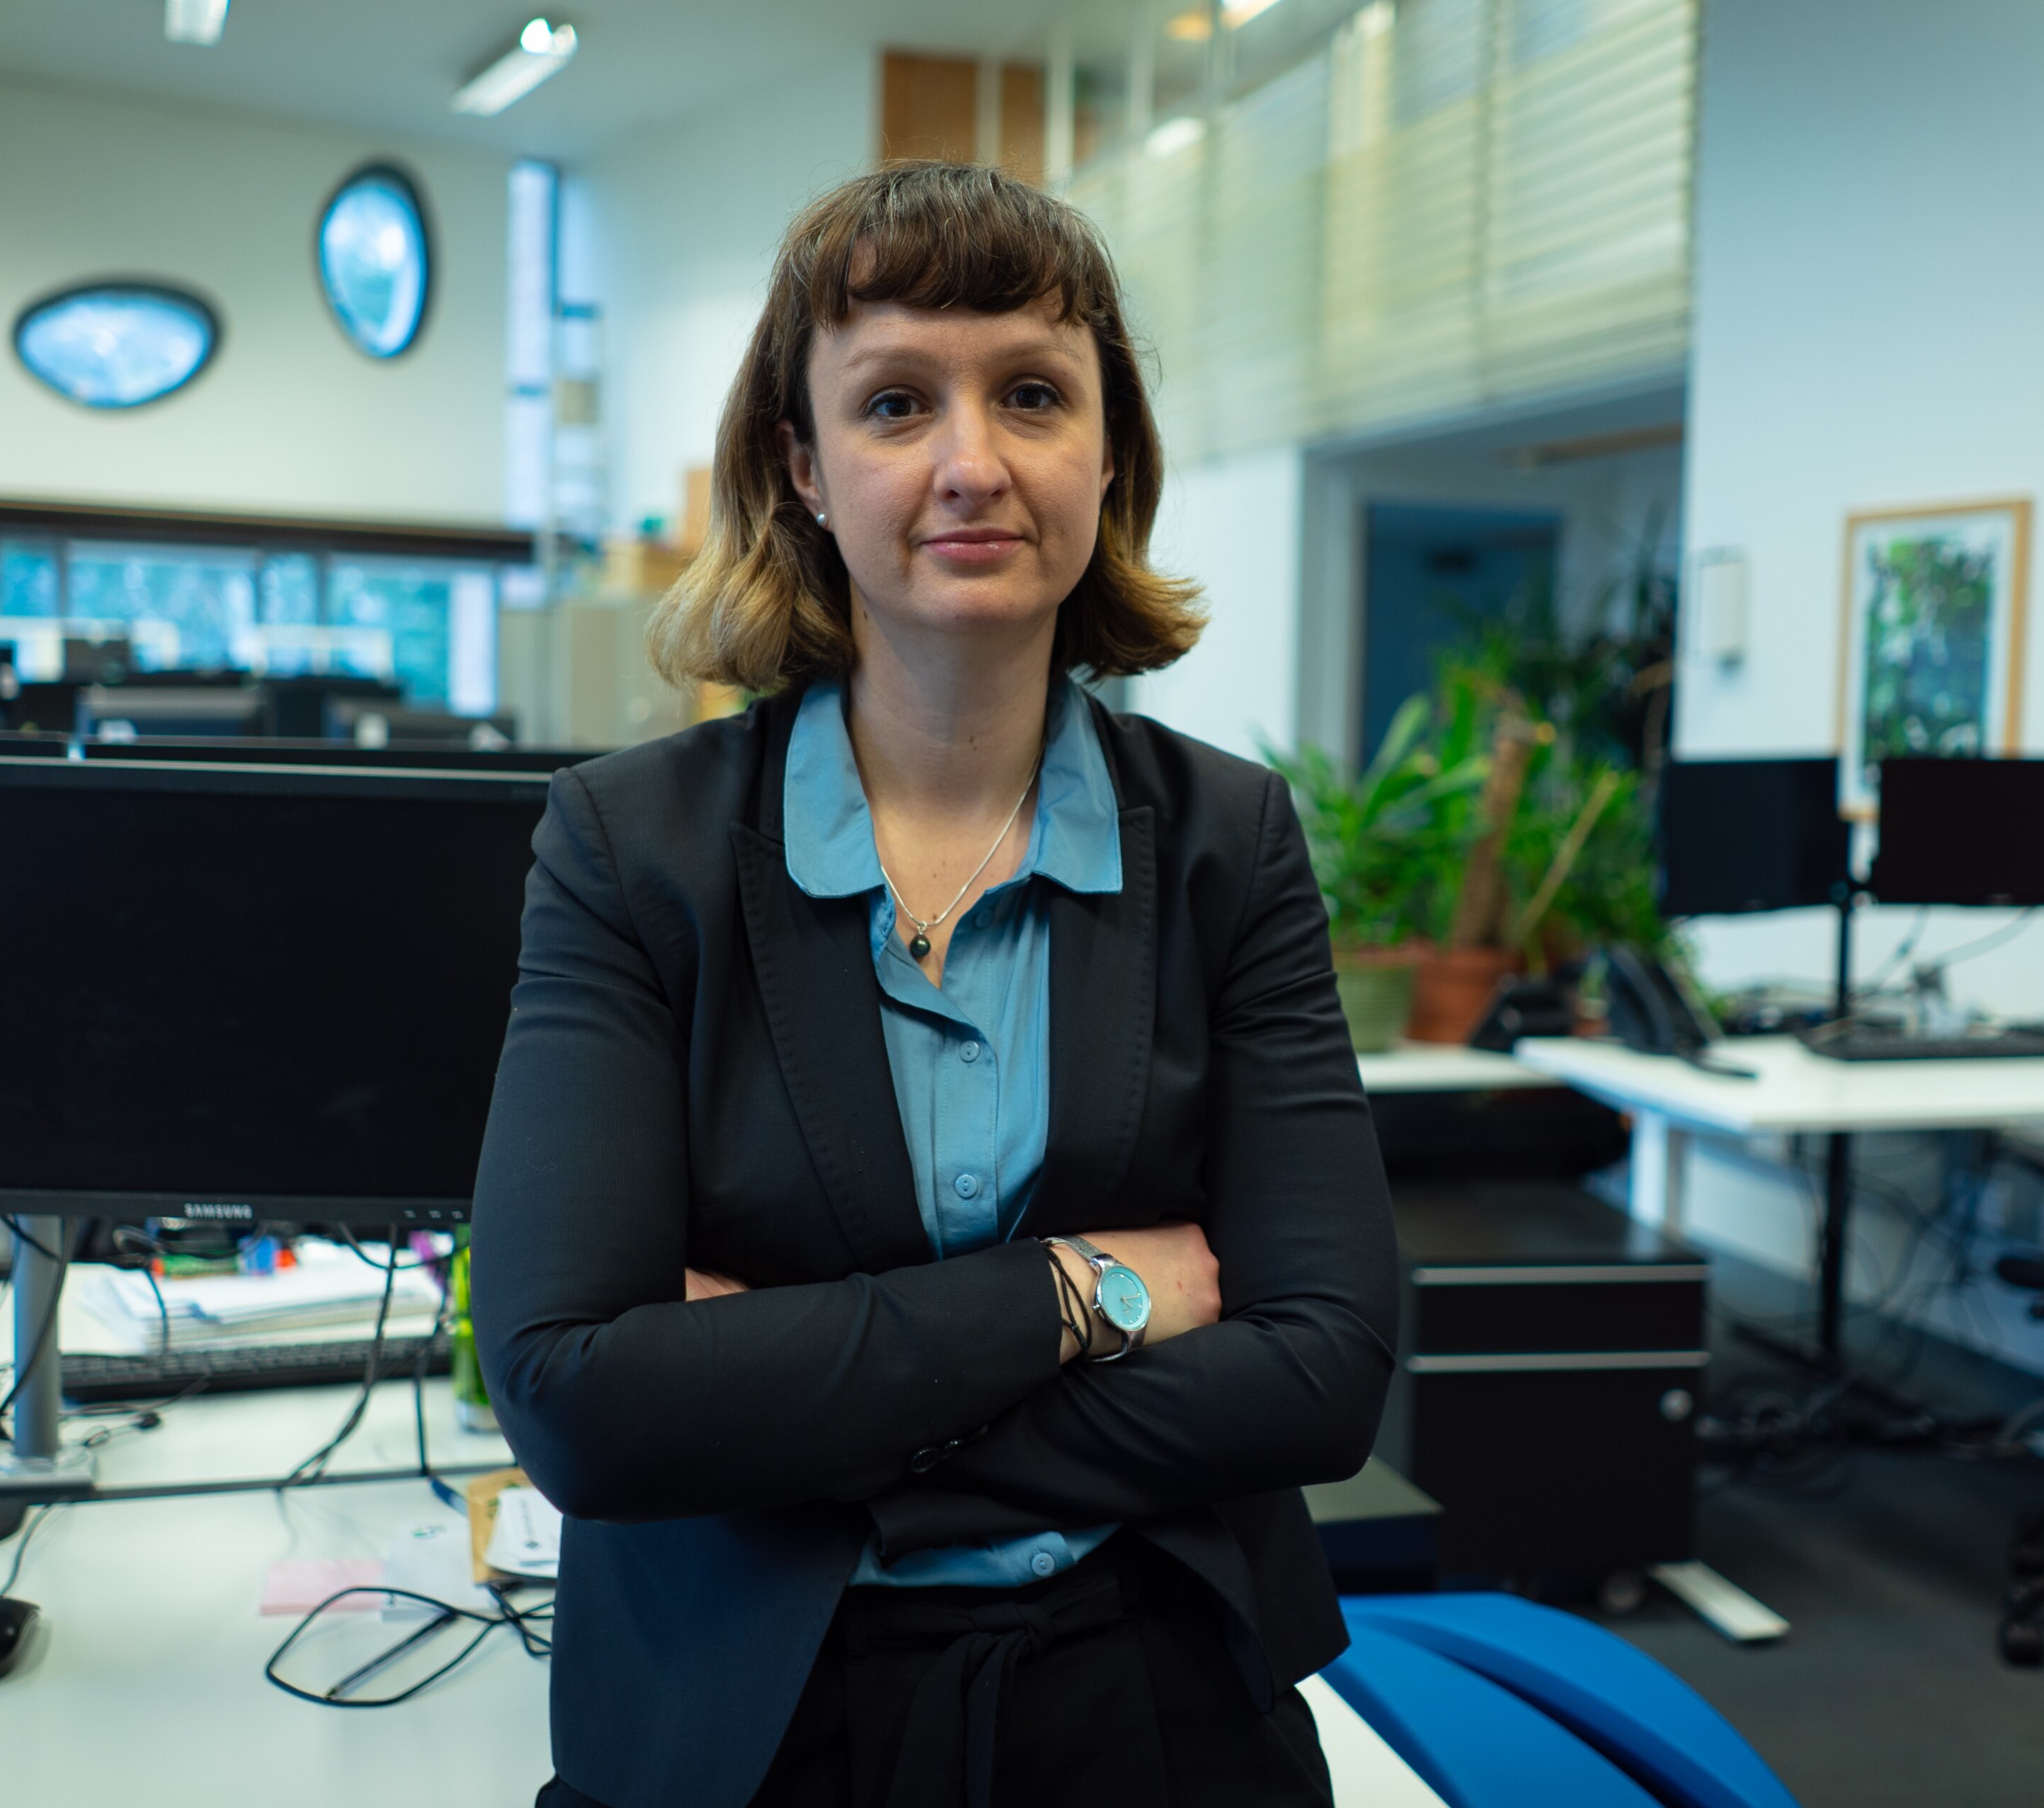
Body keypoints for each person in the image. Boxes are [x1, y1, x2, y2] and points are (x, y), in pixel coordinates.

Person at [473, 161, 1397, 1808]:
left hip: (1156, 1681)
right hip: (746, 1708)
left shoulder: (1224, 841)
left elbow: (1323, 1371)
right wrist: (1082, 1294)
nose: (971, 462)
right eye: (896, 400)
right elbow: (580, 1405)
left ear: (1107, 452)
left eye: (1031, 393)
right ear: (804, 468)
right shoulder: (632, 850)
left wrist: (786, 1404)